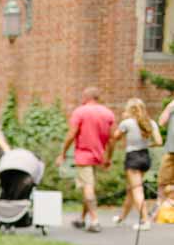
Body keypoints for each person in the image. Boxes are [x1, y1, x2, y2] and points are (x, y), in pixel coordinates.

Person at [56, 87, 116, 232]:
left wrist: (62, 153)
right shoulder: (108, 113)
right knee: (88, 187)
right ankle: (82, 219)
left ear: (86, 97)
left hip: (84, 156)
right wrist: (108, 157)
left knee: (87, 188)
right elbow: (112, 138)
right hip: (98, 156)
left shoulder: (80, 112)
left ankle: (94, 221)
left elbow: (71, 134)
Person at [108, 98, 162, 230]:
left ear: (130, 109)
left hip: (133, 157)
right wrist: (147, 144)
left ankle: (145, 221)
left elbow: (115, 137)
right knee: (131, 190)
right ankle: (121, 218)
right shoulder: (150, 123)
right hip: (145, 156)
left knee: (137, 189)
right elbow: (159, 141)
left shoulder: (127, 123)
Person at [156, 98, 174, 206]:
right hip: (170, 150)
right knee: (162, 180)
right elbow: (161, 122)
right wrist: (169, 107)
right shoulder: (172, 107)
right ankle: (159, 206)